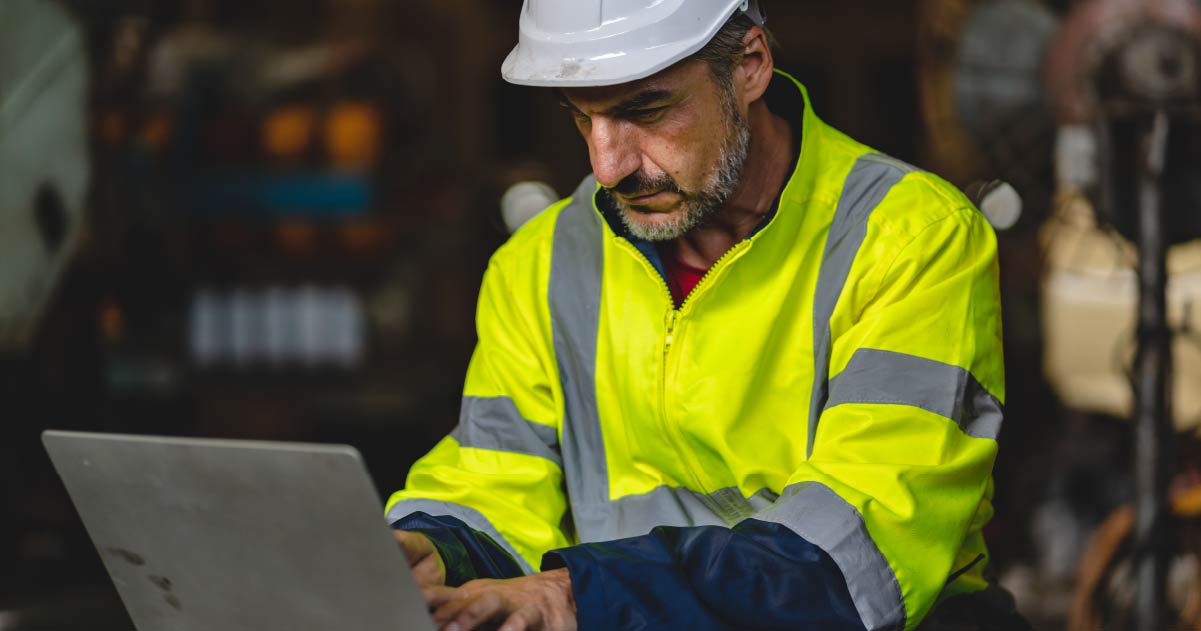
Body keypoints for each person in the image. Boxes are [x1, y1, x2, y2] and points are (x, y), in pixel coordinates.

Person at [387, 1, 1027, 630]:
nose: (609, 166)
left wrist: (579, 594)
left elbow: (859, 551)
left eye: (646, 110)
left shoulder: (911, 240)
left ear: (750, 65)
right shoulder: (542, 262)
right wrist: (433, 552)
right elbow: (496, 476)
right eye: (584, 120)